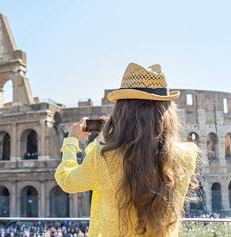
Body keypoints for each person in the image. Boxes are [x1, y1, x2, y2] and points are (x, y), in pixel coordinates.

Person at [54, 62, 199, 236]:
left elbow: (67, 180)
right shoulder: (186, 155)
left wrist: (71, 141)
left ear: (123, 111)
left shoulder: (104, 157)